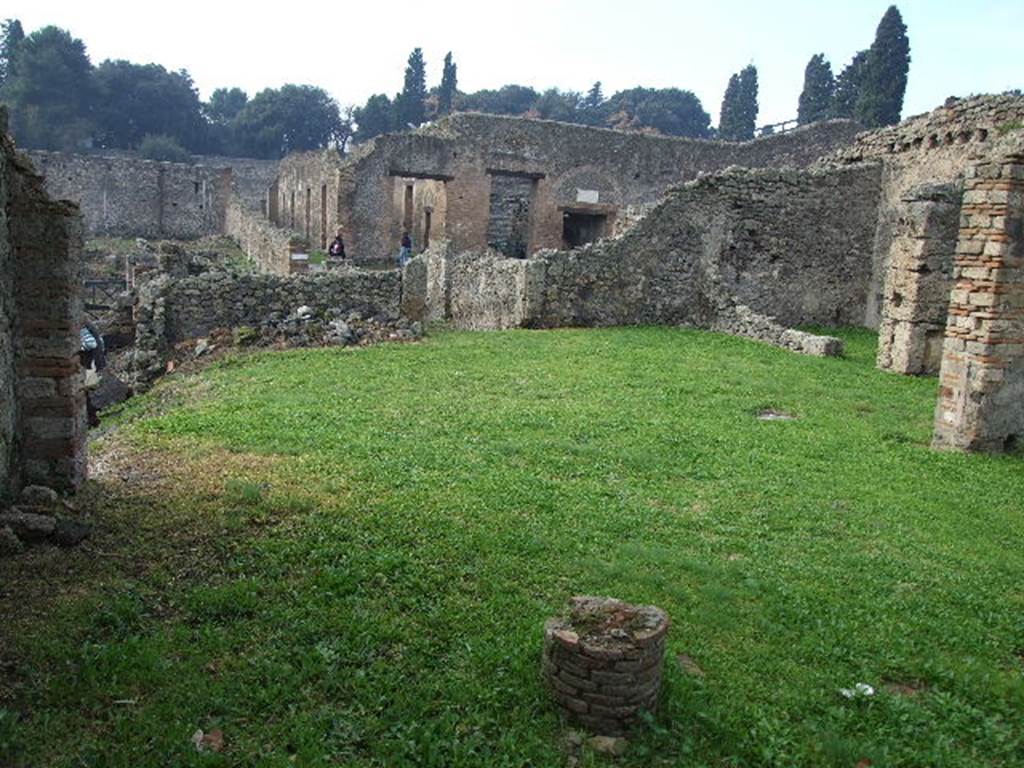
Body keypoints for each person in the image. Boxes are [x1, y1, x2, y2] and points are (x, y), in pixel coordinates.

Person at [79, 322, 106, 428]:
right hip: (92, 363)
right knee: (86, 393)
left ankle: (92, 419)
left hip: (87, 365)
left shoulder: (82, 328)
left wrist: (78, 348)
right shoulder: (89, 327)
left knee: (84, 392)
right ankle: (92, 418)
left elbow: (91, 344)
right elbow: (101, 343)